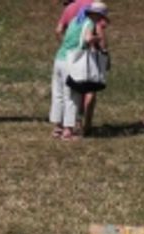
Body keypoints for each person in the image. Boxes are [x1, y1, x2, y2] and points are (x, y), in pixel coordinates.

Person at [51, 2, 106, 140]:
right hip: (72, 61)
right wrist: (97, 38)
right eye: (100, 16)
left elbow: (62, 34)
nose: (101, 20)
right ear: (95, 14)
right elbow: (87, 38)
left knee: (58, 94)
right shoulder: (89, 23)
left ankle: (57, 127)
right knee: (72, 96)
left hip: (59, 58)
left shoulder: (75, 20)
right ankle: (68, 131)